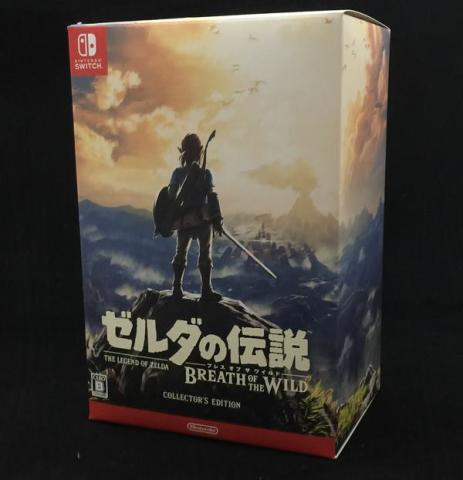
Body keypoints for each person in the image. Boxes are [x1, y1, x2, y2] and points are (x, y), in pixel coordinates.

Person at [168, 133, 223, 302]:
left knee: (182, 252)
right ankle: (204, 290)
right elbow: (211, 195)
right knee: (202, 253)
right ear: (200, 151)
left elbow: (171, 195)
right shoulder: (205, 173)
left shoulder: (178, 173)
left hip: (185, 219)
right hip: (200, 220)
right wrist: (217, 218)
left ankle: (178, 288)